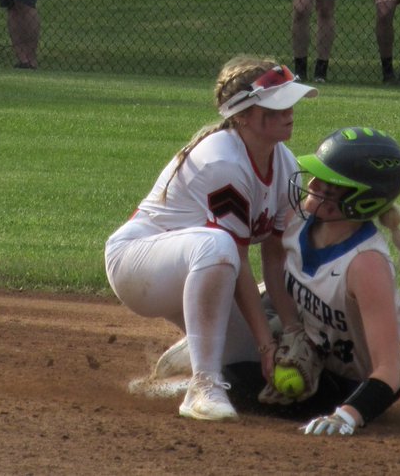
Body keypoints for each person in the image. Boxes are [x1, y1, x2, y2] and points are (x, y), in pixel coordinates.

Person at [104, 57, 314, 422]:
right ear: (244, 115)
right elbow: (237, 259)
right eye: (277, 105)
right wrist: (267, 341)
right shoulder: (223, 162)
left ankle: (196, 355)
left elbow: (275, 261)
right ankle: (204, 384)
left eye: (290, 102)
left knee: (248, 368)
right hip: (138, 264)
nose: (290, 112)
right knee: (219, 246)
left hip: (199, 270)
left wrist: (291, 331)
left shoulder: (285, 164)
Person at [254, 127, 400, 435]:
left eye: (328, 184)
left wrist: (346, 416)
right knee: (244, 312)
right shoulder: (298, 219)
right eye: (316, 176)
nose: (313, 184)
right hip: (306, 341)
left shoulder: (365, 264)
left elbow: (389, 373)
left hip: (343, 384)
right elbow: (272, 263)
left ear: (361, 201)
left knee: (238, 381)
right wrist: (292, 328)